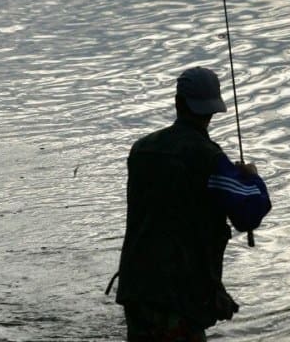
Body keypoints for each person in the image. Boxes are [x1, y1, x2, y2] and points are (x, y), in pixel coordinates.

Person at [107, 66, 272, 342]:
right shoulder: (208, 159)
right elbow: (248, 214)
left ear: (177, 102)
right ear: (213, 111)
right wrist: (254, 180)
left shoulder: (141, 150)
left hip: (137, 288)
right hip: (180, 296)